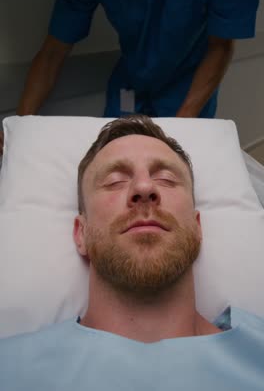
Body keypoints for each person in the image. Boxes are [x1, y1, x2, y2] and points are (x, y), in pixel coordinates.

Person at [0, 114, 264, 390]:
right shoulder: (10, 369)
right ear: (81, 234)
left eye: (165, 178)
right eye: (114, 181)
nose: (144, 187)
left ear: (197, 229)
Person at [0, 0, 259, 155]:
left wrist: (182, 125)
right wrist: (19, 129)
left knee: (171, 167)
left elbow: (221, 45)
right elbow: (52, 52)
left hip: (189, 89)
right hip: (131, 84)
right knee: (114, 157)